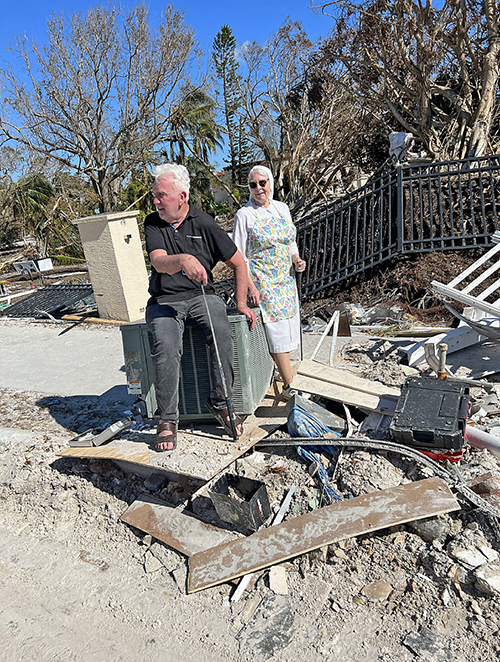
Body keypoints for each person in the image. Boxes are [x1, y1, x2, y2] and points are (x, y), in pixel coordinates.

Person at [145, 163, 256, 451]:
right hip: (163, 301)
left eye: (161, 195)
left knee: (221, 329)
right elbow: (158, 261)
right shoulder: (152, 223)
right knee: (166, 345)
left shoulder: (204, 223)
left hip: (200, 296)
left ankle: (221, 403)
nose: (155, 201)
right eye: (154, 195)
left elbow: (239, 263)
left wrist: (241, 303)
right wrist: (182, 260)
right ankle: (167, 419)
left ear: (182, 196)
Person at [232, 165, 306, 397]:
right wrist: (249, 286)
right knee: (277, 332)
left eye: (262, 183)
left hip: (286, 280)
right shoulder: (244, 215)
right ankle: (289, 385)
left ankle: (282, 373)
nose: (258, 188)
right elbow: (239, 256)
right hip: (263, 283)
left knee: (288, 328)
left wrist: (296, 259)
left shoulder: (282, 208)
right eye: (253, 185)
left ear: (270, 183)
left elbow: (290, 241)